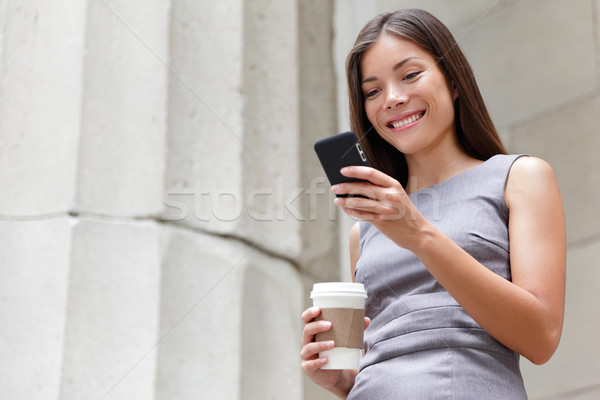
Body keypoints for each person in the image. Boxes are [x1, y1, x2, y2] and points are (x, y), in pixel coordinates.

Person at [300, 8, 565, 399]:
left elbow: (541, 337)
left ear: (453, 82)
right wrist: (342, 382)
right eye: (372, 91)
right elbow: (390, 352)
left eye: (410, 75)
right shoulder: (366, 230)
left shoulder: (519, 178)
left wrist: (418, 233)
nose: (392, 98)